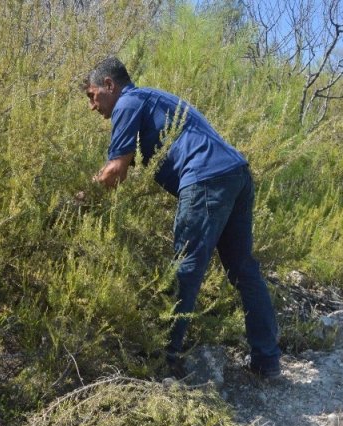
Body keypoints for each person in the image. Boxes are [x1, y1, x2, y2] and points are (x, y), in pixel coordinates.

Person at [83, 57, 281, 379]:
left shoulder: (127, 102)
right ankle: (267, 362)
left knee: (185, 269)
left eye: (92, 96)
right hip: (237, 173)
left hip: (206, 178)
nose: (92, 106)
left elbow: (115, 172)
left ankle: (165, 359)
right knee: (244, 270)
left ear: (109, 85)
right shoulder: (152, 98)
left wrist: (79, 197)